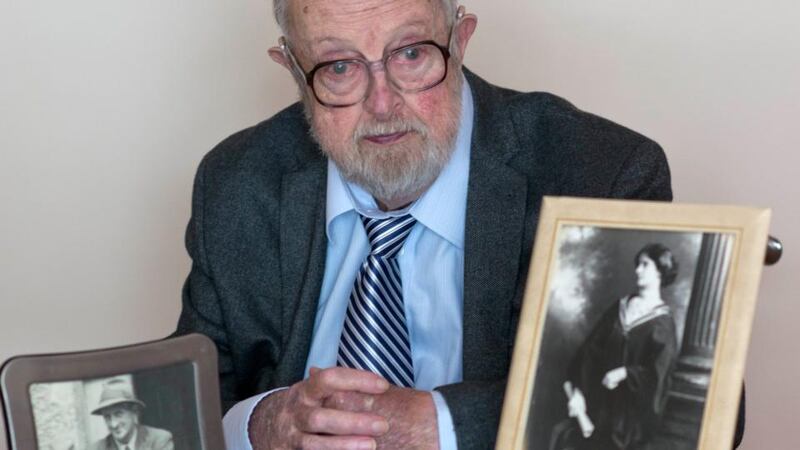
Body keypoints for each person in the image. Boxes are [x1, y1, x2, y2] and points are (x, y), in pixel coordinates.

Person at [174, 1, 742, 448]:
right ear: (294, 69)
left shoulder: (599, 169)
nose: (383, 103)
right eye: (340, 66)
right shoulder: (236, 182)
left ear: (461, 38)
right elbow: (180, 406)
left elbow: (692, 412)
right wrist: (261, 426)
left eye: (412, 54)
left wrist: (442, 426)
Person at [550, 244, 679, 450]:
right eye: (638, 264)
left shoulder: (663, 322)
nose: (637, 270)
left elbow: (658, 375)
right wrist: (578, 392)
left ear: (660, 271)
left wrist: (625, 373)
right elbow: (590, 351)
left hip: (628, 417)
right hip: (597, 404)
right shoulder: (620, 307)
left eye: (645, 265)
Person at [89, 379, 174, 450]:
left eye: (118, 414)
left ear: (134, 413)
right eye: (107, 417)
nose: (113, 424)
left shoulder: (158, 440)